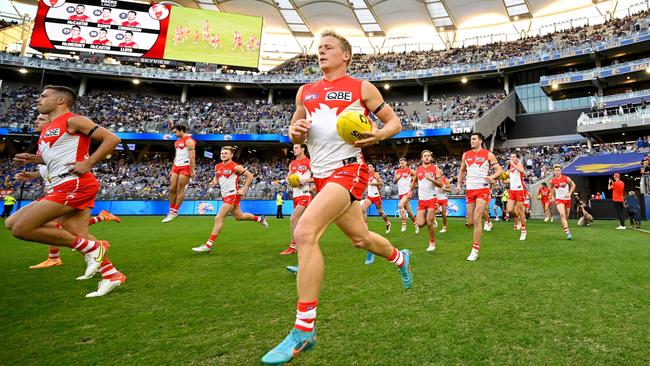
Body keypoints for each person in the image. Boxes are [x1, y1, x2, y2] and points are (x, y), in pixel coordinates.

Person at [261, 30, 411, 365]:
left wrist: (378, 134)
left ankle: (303, 330)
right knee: (360, 239)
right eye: (319, 48)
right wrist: (295, 131)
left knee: (304, 232)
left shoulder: (362, 87)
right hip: (320, 174)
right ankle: (400, 258)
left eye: (328, 47)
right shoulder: (306, 91)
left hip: (349, 169)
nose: (321, 52)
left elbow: (394, 122)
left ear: (346, 55)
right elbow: (295, 128)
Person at [7, 85, 124, 297]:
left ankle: (92, 248)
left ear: (60, 100)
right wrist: (33, 158)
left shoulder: (73, 120)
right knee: (72, 232)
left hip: (74, 184)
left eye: (44, 96)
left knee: (20, 228)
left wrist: (88, 162)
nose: (38, 100)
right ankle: (112, 275)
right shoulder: (49, 128)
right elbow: (55, 158)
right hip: (65, 184)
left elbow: (113, 139)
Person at [192, 146, 268, 253]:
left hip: (232, 195)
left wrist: (244, 188)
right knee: (239, 217)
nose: (223, 155)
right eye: (222, 153)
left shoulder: (236, 167)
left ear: (231, 155)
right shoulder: (217, 166)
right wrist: (214, 182)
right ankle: (260, 219)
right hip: (225, 196)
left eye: (226, 153)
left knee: (218, 218)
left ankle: (208, 245)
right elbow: (217, 177)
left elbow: (250, 176)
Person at [456, 132, 503, 261]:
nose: (471, 141)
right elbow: (462, 170)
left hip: (482, 189)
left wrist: (492, 177)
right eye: (471, 139)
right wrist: (459, 184)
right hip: (470, 190)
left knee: (477, 218)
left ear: (480, 141)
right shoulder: (466, 155)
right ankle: (488, 222)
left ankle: (475, 250)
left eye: (474, 139)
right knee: (470, 222)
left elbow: (499, 170)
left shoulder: (488, 155)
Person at [280, 144, 313, 255]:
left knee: (293, 219)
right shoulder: (292, 164)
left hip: (305, 194)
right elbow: (288, 177)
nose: (294, 150)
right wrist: (289, 181)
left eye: (296, 148)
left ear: (303, 149)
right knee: (301, 222)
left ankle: (293, 246)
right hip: (295, 195)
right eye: (293, 148)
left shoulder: (309, 162)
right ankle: (306, 244)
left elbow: (318, 177)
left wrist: (305, 181)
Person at [162, 124, 196, 223]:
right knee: (172, 188)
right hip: (177, 166)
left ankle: (175, 211)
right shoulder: (176, 142)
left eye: (175, 132)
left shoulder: (189, 141)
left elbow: (192, 157)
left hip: (186, 167)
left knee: (180, 188)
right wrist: (172, 168)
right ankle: (171, 211)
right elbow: (177, 156)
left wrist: (192, 170)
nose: (174, 134)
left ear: (181, 130)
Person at [411, 150, 443, 252]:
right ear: (421, 158)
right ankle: (432, 219)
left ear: (431, 158)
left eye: (428, 155)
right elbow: (414, 181)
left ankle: (432, 243)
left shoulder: (435, 169)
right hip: (421, 200)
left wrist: (432, 179)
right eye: (425, 156)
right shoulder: (418, 169)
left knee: (429, 222)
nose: (427, 157)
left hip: (432, 198)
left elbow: (440, 184)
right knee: (420, 224)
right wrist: (410, 191)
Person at [361, 163, 392, 264]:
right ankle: (365, 230)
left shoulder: (375, 174)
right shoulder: (367, 175)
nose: (369, 168)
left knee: (380, 212)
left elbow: (381, 183)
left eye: (370, 166)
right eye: (368, 166)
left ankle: (387, 222)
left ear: (373, 168)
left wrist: (372, 184)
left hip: (376, 196)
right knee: (363, 209)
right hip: (369, 196)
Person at [550, 164, 576, 239]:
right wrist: (552, 197)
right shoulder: (552, 180)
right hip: (559, 199)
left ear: (561, 171)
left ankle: (565, 225)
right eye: (555, 170)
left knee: (566, 216)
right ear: (553, 172)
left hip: (567, 199)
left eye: (558, 170)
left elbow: (573, 185)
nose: (557, 172)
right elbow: (551, 189)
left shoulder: (566, 178)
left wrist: (569, 193)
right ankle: (568, 233)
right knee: (562, 214)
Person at [505, 153, 527, 241]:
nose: (512, 158)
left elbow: (521, 170)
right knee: (509, 210)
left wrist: (513, 164)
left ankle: (523, 230)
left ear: (517, 158)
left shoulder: (518, 164)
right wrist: (502, 178)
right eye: (511, 157)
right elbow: (509, 179)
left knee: (520, 209)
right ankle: (518, 218)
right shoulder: (510, 167)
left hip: (519, 190)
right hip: (512, 190)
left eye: (513, 157)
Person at [393, 157, 418, 233]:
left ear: (406, 163)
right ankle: (415, 224)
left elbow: (417, 177)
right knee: (410, 213)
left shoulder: (410, 170)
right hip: (401, 194)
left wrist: (413, 184)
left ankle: (403, 223)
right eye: (400, 163)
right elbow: (394, 182)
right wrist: (396, 178)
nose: (401, 164)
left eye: (403, 162)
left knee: (400, 205)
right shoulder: (397, 171)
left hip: (408, 192)